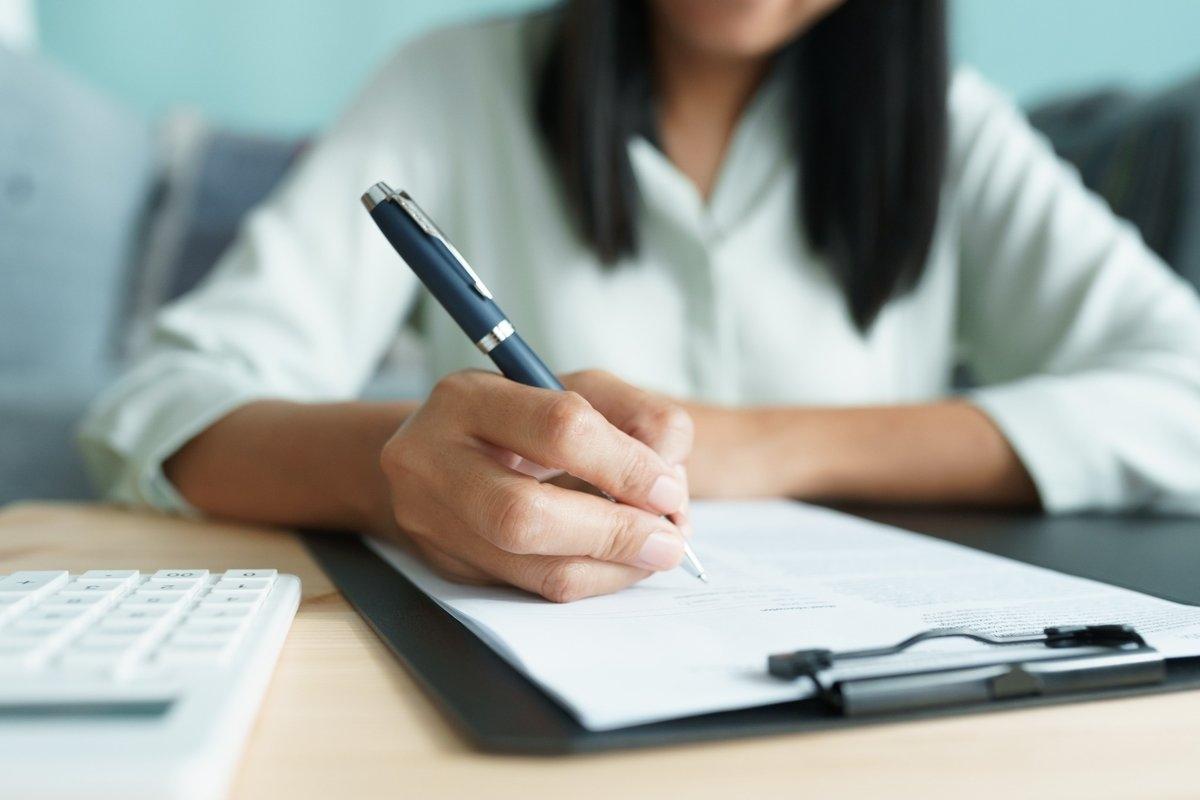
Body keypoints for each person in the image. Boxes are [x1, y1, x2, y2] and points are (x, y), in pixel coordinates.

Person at [81, 0, 1200, 602]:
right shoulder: (450, 85)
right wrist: (404, 468)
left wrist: (754, 449)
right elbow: (162, 403)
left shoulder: (952, 128)